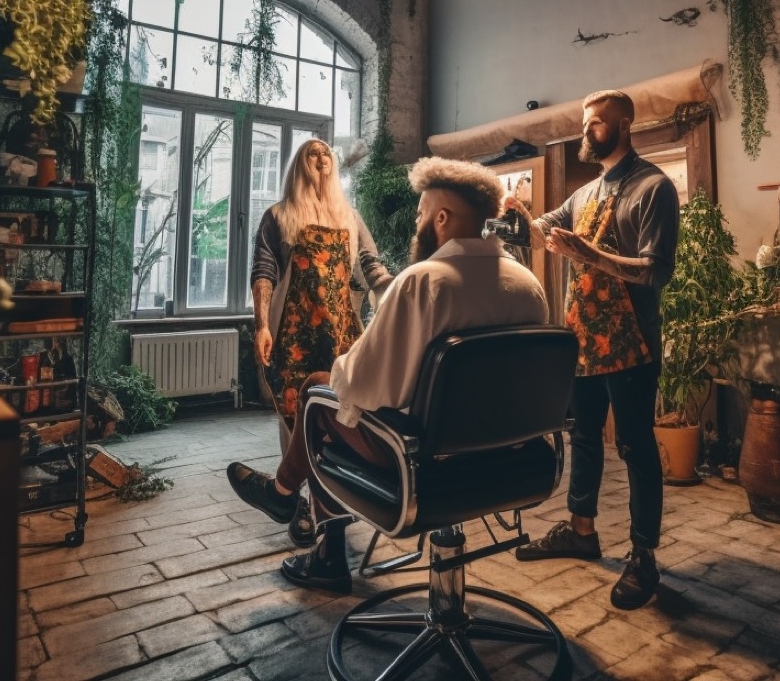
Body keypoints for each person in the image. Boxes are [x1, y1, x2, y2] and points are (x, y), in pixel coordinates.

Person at [228, 156, 548, 592]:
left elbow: (360, 388)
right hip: (512, 464)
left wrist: (342, 371)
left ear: (441, 217)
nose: (416, 221)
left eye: (420, 213)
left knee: (320, 397)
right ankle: (285, 497)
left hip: (422, 463)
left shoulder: (423, 283)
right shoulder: (528, 284)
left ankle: (301, 520)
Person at [506, 89, 680, 610]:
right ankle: (582, 529)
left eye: (597, 124)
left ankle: (644, 554)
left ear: (624, 126)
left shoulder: (654, 188)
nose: (586, 132)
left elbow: (655, 270)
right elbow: (542, 231)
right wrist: (516, 218)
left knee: (634, 446)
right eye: (586, 123)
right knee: (583, 436)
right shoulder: (584, 195)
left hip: (632, 342)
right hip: (583, 339)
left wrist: (590, 253)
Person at [250, 138, 393, 547]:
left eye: (326, 153)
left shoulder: (349, 216)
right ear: (298, 165)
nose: (321, 158)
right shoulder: (278, 216)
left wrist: (396, 292)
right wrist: (262, 325)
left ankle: (329, 503)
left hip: (341, 331)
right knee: (295, 416)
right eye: (311, 154)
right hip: (292, 331)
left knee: (336, 415)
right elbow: (263, 270)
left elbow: (370, 263)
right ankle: (300, 506)